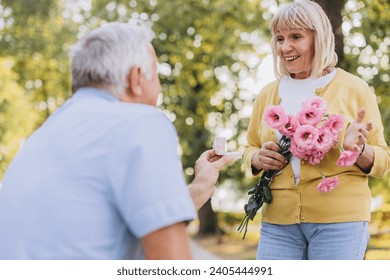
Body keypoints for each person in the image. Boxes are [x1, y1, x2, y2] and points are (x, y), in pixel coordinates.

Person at [0, 22, 235, 260]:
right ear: (136, 78)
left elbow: (101, 224)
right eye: (156, 76)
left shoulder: (47, 132)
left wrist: (199, 186)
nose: (161, 89)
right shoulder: (141, 120)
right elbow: (171, 261)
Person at [244, 0, 390, 260]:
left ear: (319, 38)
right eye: (279, 38)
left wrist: (359, 149)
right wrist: (256, 158)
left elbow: (383, 162)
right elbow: (250, 147)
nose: (285, 47)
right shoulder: (267, 94)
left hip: (340, 223)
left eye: (296, 37)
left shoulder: (355, 88)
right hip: (279, 225)